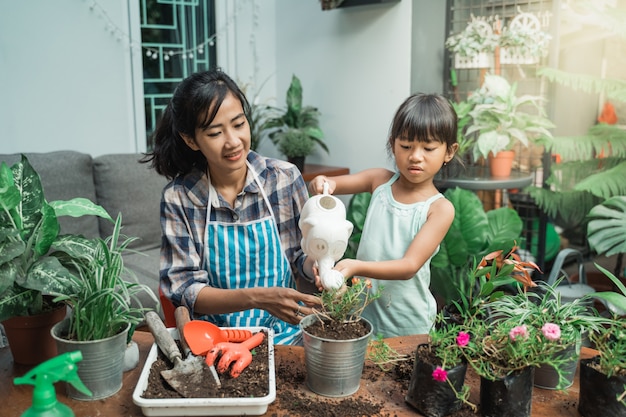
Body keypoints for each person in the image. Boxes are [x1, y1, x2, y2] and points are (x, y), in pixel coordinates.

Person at [141, 68, 320, 345]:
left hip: (285, 339)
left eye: (239, 124)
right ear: (191, 140)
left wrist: (319, 263)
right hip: (214, 343)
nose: (233, 141)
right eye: (215, 132)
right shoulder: (180, 198)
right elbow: (183, 289)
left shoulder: (283, 179)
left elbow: (300, 256)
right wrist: (260, 298)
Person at [308, 93, 459, 338]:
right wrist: (322, 182)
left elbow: (409, 266)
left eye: (428, 148)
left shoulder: (439, 209)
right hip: (364, 314)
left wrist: (354, 266)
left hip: (408, 322)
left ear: (449, 152)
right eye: (406, 146)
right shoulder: (378, 181)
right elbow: (331, 184)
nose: (415, 156)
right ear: (393, 144)